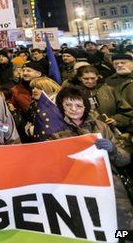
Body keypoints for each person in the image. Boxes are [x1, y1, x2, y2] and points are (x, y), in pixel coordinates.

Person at [48, 86, 133, 230]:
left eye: (78, 105)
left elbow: (124, 159)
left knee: (123, 229)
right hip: (79, 190)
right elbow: (51, 167)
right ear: (61, 107)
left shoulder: (100, 126)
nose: (74, 109)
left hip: (111, 186)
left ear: (85, 106)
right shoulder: (56, 133)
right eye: (68, 105)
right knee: (94, 228)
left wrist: (113, 149)